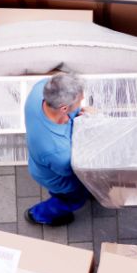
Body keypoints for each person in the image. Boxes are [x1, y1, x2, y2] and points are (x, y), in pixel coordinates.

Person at [23, 73, 93, 227]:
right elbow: (74, 171)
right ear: (64, 108)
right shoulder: (59, 153)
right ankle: (40, 215)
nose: (82, 103)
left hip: (40, 163)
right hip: (60, 181)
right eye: (80, 101)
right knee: (71, 200)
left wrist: (82, 114)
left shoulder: (40, 90)